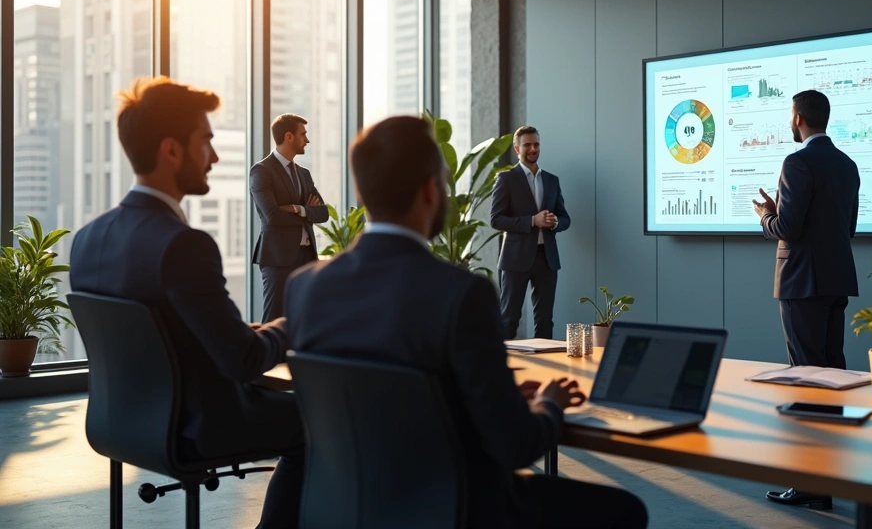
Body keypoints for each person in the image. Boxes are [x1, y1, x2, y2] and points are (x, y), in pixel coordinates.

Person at [287, 116, 647, 529]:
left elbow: (388, 403)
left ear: (362, 191)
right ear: (429, 190)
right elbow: (514, 446)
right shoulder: (460, 294)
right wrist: (549, 404)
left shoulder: (304, 288)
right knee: (626, 510)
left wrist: (496, 396)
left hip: (347, 506)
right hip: (458, 508)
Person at [70, 77, 303, 529]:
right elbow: (243, 360)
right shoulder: (183, 246)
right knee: (318, 421)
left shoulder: (87, 239)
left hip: (118, 423)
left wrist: (250, 333)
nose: (214, 158)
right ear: (171, 150)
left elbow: (174, 334)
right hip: (195, 426)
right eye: (206, 143)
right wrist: (295, 322)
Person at [752, 89, 860, 512]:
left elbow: (789, 228)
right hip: (836, 279)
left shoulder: (796, 162)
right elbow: (844, 226)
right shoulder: (847, 164)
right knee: (832, 376)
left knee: (807, 377)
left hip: (801, 281)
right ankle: (829, 478)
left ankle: (810, 482)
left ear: (797, 117)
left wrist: (766, 215)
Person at [491, 126, 571, 340]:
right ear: (517, 148)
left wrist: (554, 223)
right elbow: (496, 219)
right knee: (509, 319)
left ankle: (545, 369)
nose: (533, 149)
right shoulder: (506, 179)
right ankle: (503, 369)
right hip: (515, 259)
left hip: (547, 258)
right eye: (527, 145)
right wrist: (532, 221)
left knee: (545, 320)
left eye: (536, 144)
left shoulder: (552, 180)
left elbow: (565, 218)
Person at [250, 113, 327, 323]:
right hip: (278, 259)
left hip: (307, 257)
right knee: (274, 319)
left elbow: (323, 213)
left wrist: (297, 209)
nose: (307, 140)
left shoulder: (304, 173)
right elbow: (272, 216)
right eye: (304, 134)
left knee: (306, 318)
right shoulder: (261, 171)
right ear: (289, 136)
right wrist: (307, 211)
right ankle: (270, 358)